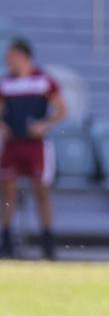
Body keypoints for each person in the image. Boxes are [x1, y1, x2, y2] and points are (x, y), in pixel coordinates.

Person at [0, 39, 66, 260]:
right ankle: (6, 238)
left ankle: (47, 240)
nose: (7, 60)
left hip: (36, 144)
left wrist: (44, 125)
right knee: (8, 189)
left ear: (22, 55)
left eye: (10, 55)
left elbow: (61, 109)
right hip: (13, 143)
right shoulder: (6, 83)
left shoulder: (43, 81)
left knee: (41, 191)